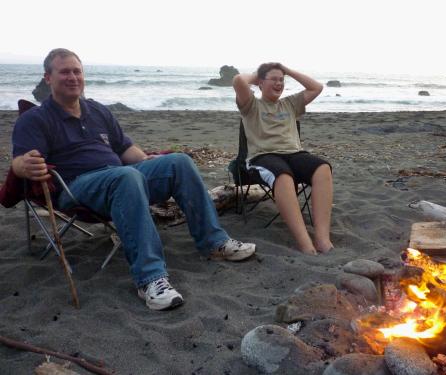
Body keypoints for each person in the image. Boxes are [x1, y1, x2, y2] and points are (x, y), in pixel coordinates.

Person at [11, 48, 256, 311]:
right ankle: (151, 279)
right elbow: (19, 162)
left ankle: (214, 243)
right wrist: (24, 166)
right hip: (79, 187)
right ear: (48, 77)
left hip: (124, 177)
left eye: (77, 71)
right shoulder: (36, 119)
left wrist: (148, 161)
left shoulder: (97, 111)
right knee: (125, 176)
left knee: (179, 162)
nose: (72, 77)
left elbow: (125, 149)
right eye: (64, 72)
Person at [232, 63, 333, 255]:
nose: (279, 83)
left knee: (322, 168)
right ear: (260, 83)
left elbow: (316, 88)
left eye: (282, 80)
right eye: (274, 79)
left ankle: (322, 238)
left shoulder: (290, 104)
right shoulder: (251, 105)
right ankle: (306, 245)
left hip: (294, 153)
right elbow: (238, 81)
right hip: (263, 156)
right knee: (283, 176)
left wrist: (288, 70)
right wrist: (259, 75)